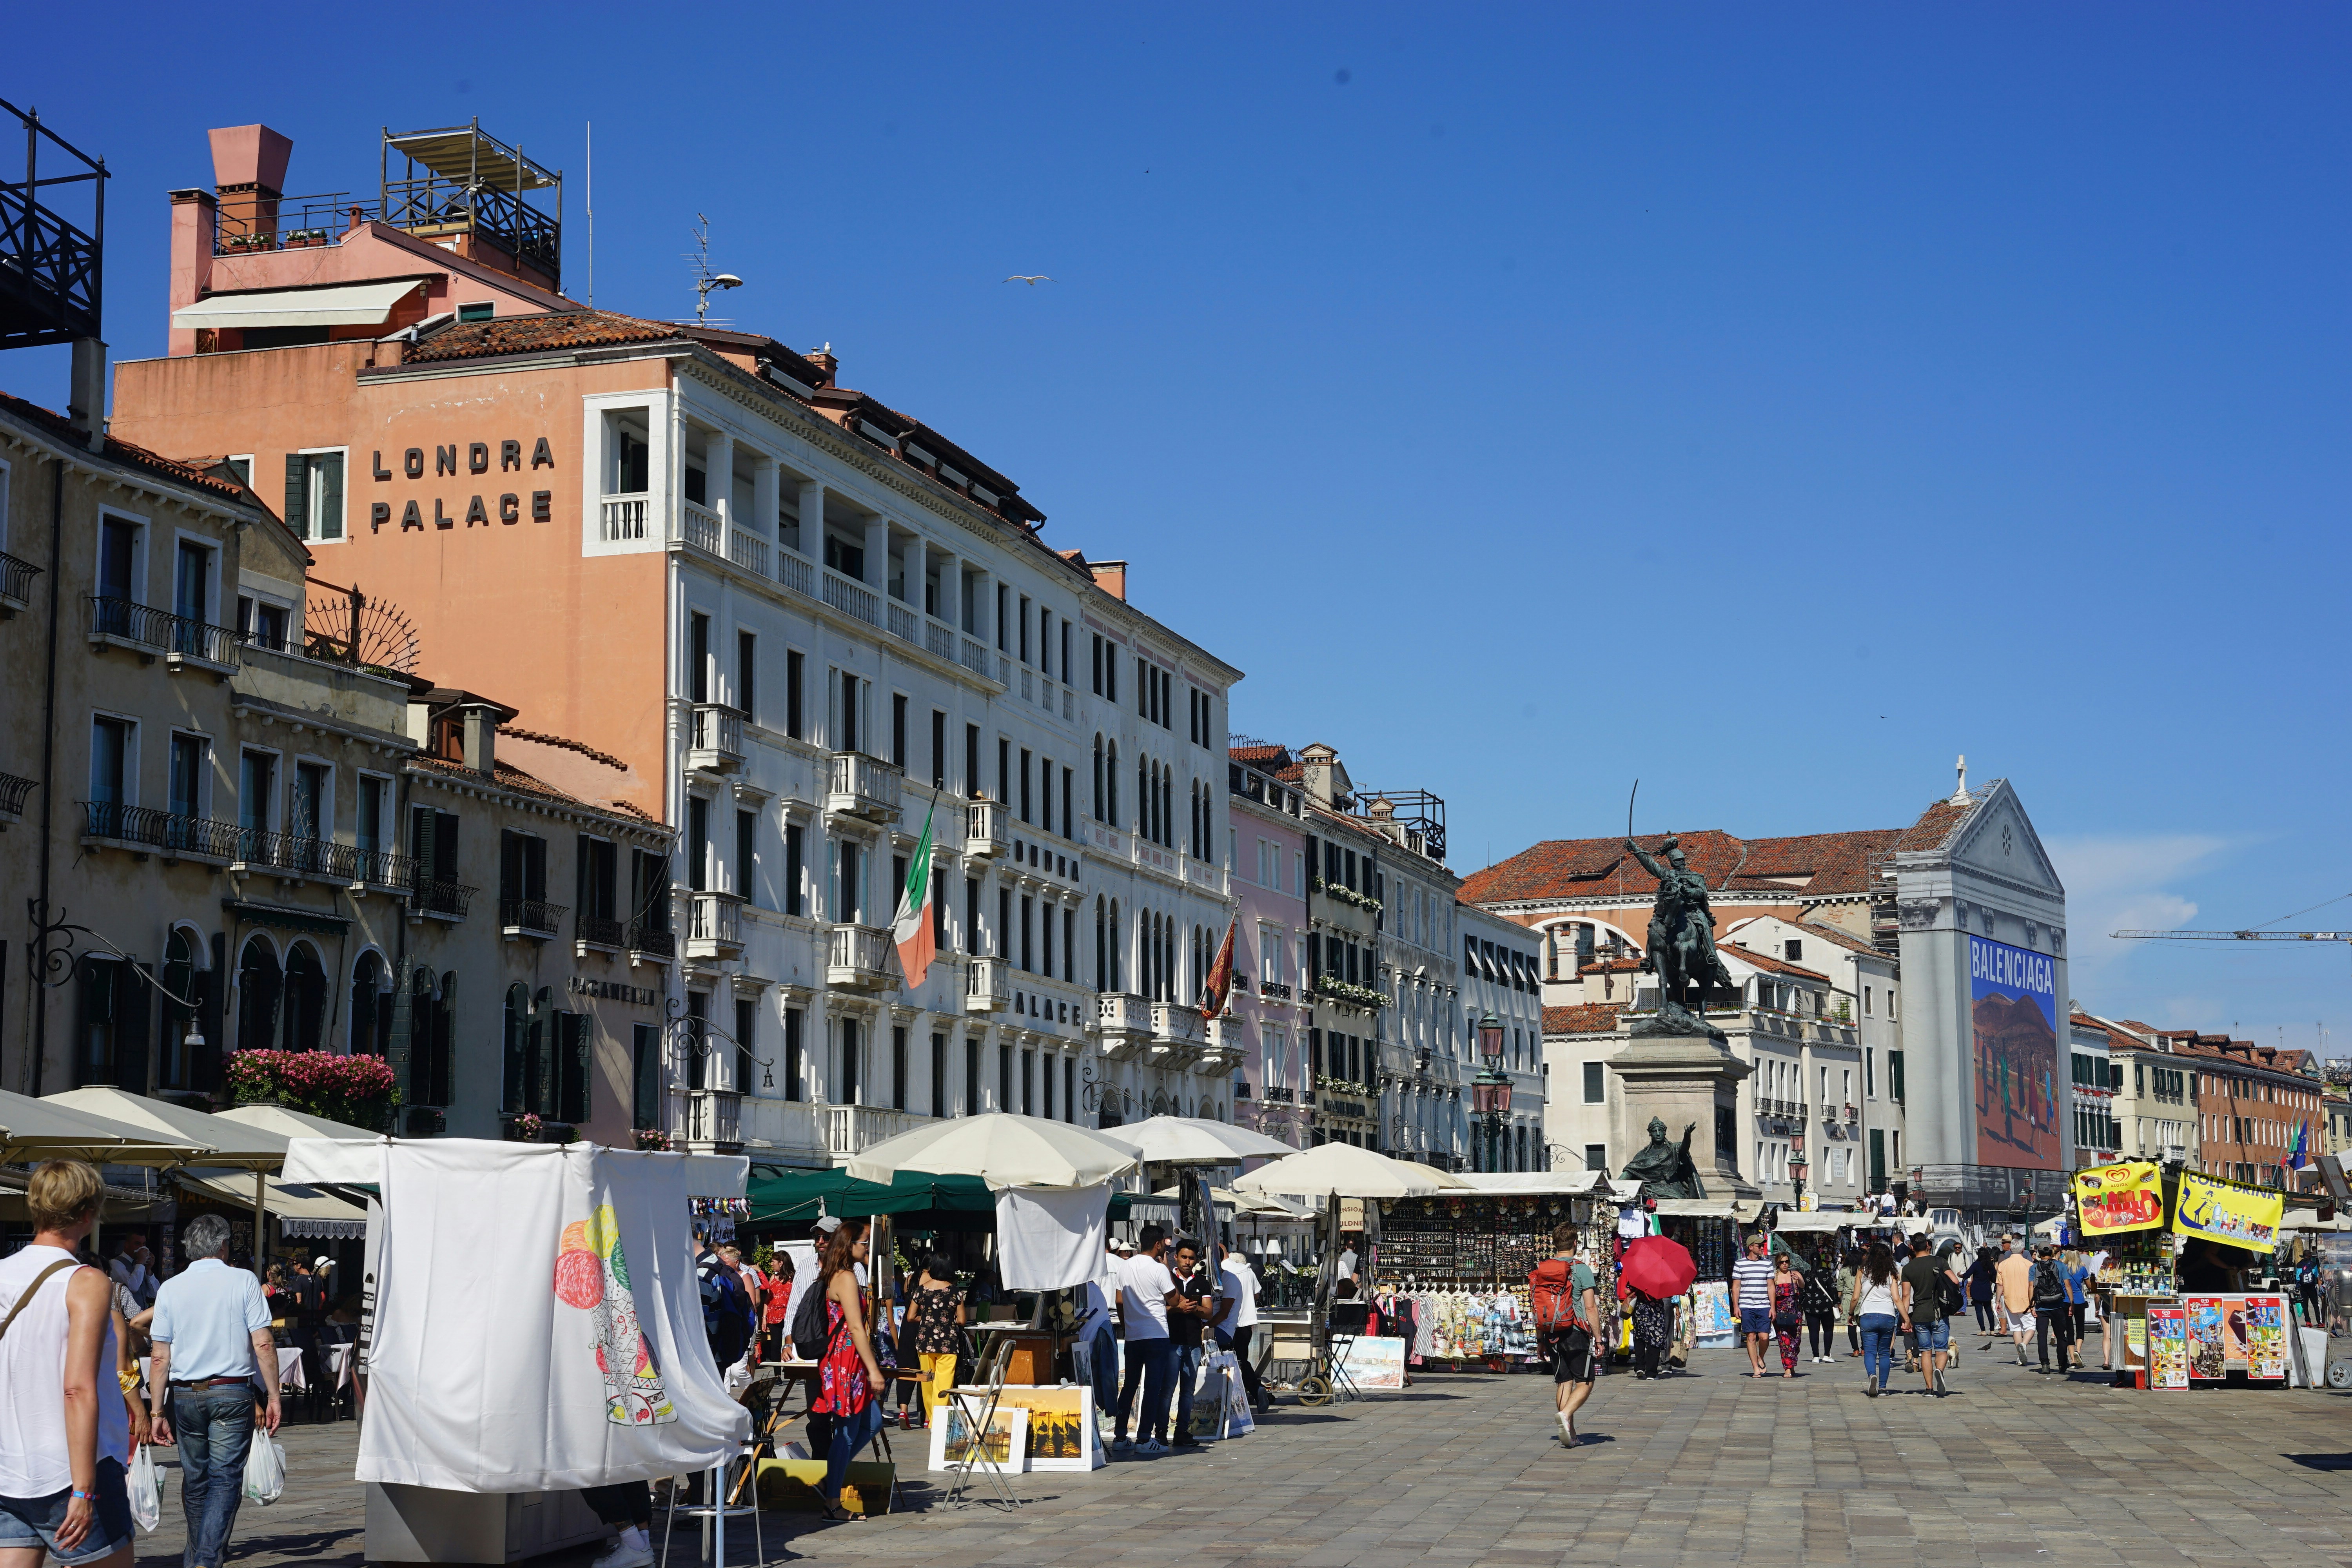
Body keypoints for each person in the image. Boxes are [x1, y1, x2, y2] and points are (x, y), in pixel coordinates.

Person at [0, 1162, 136, 1568]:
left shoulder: (3, 1273)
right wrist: (84, 1488)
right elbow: (77, 1387)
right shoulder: (87, 1281)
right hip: (72, 1465)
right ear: (87, 1214)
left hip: (11, 1465)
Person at [149, 1211, 283, 1568]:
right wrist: (272, 1395)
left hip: (185, 1394)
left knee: (196, 1480)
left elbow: (160, 1357)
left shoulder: (170, 1288)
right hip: (230, 1391)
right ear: (223, 1245)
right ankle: (207, 1559)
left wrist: (157, 1411)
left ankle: (197, 1558)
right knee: (224, 1479)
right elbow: (264, 1345)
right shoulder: (244, 1281)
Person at [809, 1219, 886, 1523]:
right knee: (847, 1431)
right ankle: (832, 1502)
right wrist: (874, 1370)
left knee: (871, 1423)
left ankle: (831, 1479)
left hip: (845, 1359)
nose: (868, 1247)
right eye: (864, 1242)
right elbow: (855, 1327)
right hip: (845, 1362)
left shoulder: (840, 1274)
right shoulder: (845, 1278)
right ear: (849, 1244)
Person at [1112, 1225, 1176, 1456]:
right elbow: (1175, 1300)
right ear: (1159, 1245)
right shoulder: (1159, 1269)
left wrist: (1128, 1323)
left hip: (1134, 1335)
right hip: (1156, 1334)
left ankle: (1120, 1436)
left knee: (1130, 1385)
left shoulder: (1125, 1266)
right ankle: (1143, 1439)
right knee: (1152, 1387)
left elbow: (1119, 1301)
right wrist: (1168, 1268)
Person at [1165, 1239, 1224, 1446]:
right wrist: (1177, 1309)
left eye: (1191, 1258)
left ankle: (1182, 1431)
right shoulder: (1167, 1278)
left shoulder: (1201, 1282)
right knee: (1168, 1389)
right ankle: (1161, 1433)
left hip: (1193, 1343)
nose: (1187, 1262)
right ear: (1176, 1258)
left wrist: (1193, 1308)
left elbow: (1208, 1312)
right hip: (1172, 1341)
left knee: (1188, 1390)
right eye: (1184, 1257)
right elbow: (1159, 1308)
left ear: (1196, 1260)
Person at [899, 1254, 966, 1429]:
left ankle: (931, 1418)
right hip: (948, 1343)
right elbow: (961, 1321)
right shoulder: (955, 1291)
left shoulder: (921, 1290)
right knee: (944, 1383)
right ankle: (938, 1421)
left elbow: (911, 1317)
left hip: (925, 1342)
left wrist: (928, 1318)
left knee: (927, 1382)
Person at [1213, 1245, 1268, 1414]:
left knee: (1232, 1363)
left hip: (1229, 1323)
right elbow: (1257, 1294)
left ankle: (1250, 1391)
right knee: (1241, 1360)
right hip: (1247, 1321)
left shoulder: (1221, 1272)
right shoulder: (1247, 1270)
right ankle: (1254, 1390)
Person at [1897, 1236, 1953, 1396]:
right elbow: (1955, 1281)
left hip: (1920, 1314)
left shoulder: (1908, 1268)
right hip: (1940, 1313)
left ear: (1912, 1247)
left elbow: (1906, 1296)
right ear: (1928, 1245)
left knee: (1925, 1352)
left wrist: (1905, 1319)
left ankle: (1929, 1388)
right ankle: (1940, 1372)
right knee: (1941, 1349)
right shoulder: (1939, 1261)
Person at [693, 1231, 755, 1375]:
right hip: (721, 1354)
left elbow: (698, 1325)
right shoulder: (718, 1264)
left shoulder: (702, 1275)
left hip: (708, 1361)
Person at [1074, 1243, 1120, 1427]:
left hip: (1095, 1339)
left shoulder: (1084, 1289)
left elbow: (1076, 1318)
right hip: (1099, 1333)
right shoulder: (1089, 1287)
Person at [1850, 1240, 1903, 1397]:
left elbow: (1855, 1298)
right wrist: (1906, 1318)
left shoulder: (1863, 1271)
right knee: (1885, 1354)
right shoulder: (1892, 1274)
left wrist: (1851, 1313)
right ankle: (1882, 1387)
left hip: (1868, 1315)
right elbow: (1897, 1298)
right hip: (1887, 1315)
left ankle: (1872, 1375)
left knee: (1870, 1352)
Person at [1731, 1233, 1777, 1379]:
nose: (1762, 1248)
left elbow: (1771, 1287)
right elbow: (1736, 1287)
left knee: (1764, 1337)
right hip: (1746, 1305)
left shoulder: (1768, 1264)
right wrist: (1736, 1306)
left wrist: (1773, 1307)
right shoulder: (1740, 1264)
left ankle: (1760, 1357)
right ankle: (1756, 1369)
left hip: (1764, 1305)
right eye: (1759, 1246)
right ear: (1751, 1248)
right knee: (1751, 1337)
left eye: (1762, 1245)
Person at [2030, 1245, 2075, 1375]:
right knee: (2061, 1336)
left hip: (2041, 1306)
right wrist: (2071, 1304)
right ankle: (2062, 1363)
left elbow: (2030, 1287)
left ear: (2039, 1253)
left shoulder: (2034, 1268)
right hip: (2058, 1305)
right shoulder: (2061, 1266)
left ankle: (2045, 1364)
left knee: (2042, 1336)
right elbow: (2067, 1285)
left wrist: (2032, 1305)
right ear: (2052, 1252)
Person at [1995, 1236, 2036, 1368]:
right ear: (2023, 1250)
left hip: (2010, 1300)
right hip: (2027, 1301)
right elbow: (2033, 1284)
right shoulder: (2030, 1265)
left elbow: (2000, 1285)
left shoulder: (2003, 1265)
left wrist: (1997, 1301)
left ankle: (2020, 1356)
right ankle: (2024, 1345)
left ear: (2011, 1249)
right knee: (2031, 1327)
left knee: (2016, 1329)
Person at [1800, 1252, 1840, 1364]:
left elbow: (1802, 1291)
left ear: (1810, 1262)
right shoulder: (1826, 1273)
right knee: (1828, 1330)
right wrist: (1837, 1302)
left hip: (1810, 1306)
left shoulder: (1807, 1274)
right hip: (1825, 1305)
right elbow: (1832, 1288)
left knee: (1814, 1332)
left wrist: (1801, 1303)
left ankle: (1816, 1356)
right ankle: (1827, 1354)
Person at [1770, 1250, 1804, 1378]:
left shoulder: (1794, 1274)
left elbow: (1803, 1286)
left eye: (1787, 1262)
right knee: (1784, 1342)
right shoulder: (1774, 1277)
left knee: (1796, 1342)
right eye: (1782, 1262)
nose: (1785, 1264)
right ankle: (1788, 1368)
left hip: (1795, 1313)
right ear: (1778, 1264)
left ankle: (1792, 1364)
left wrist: (1798, 1280)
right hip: (1780, 1314)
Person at [760, 1253, 794, 1364]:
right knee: (775, 1344)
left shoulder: (794, 1278)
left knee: (790, 1342)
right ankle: (778, 1374)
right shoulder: (773, 1278)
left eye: (773, 1262)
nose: (771, 1264)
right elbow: (768, 1299)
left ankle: (790, 1368)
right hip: (774, 1315)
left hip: (789, 1315)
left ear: (781, 1263)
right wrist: (764, 1317)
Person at [1965, 1246, 1999, 1336]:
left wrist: (1961, 1275)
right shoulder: (1990, 1265)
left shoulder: (1976, 1265)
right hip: (1987, 1289)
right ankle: (1992, 1330)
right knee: (1989, 1311)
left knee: (1979, 1311)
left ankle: (1983, 1331)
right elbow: (1994, 1278)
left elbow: (1967, 1275)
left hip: (1976, 1290)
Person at [1837, 1248, 1863, 1358]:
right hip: (1862, 1300)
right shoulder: (1863, 1270)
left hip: (1848, 1300)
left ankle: (1855, 1349)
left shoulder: (1844, 1271)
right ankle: (1864, 1349)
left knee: (1851, 1326)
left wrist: (1839, 1303)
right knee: (1864, 1327)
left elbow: (1840, 1290)